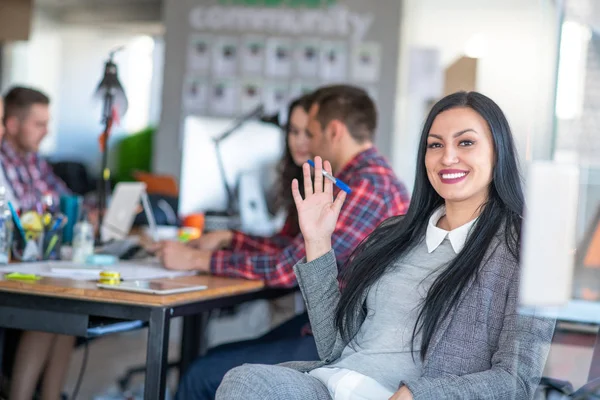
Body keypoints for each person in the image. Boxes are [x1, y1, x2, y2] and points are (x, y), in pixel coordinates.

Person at [216, 91, 556, 400]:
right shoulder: (396, 233)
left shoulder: (525, 250)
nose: (447, 157)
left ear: (498, 152)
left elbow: (515, 381)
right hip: (333, 384)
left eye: (465, 143)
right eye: (435, 145)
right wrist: (317, 241)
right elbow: (333, 344)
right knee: (244, 382)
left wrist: (418, 395)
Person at [170, 85, 411, 399]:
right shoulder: (359, 178)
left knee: (202, 374)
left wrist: (196, 261)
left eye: (310, 133)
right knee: (214, 359)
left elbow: (289, 266)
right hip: (333, 325)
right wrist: (232, 239)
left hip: (345, 339)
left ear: (334, 132)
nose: (306, 144)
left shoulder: (366, 187)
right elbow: (293, 246)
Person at [0, 87, 76, 400]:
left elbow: (64, 201)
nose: (46, 132)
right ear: (13, 124)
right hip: (13, 267)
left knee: (68, 307)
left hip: (24, 260)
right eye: (39, 124)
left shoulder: (34, 162)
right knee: (52, 308)